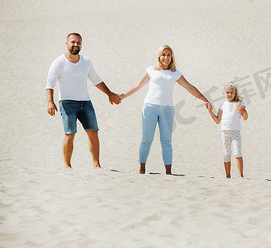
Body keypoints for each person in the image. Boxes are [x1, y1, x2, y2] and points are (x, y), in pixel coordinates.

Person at [120, 45, 212, 175]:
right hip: (150, 107)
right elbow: (137, 85)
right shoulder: (151, 70)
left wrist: (205, 99)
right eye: (164, 54)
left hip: (167, 109)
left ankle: (168, 172)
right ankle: (142, 170)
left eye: (169, 55)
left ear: (172, 57)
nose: (166, 57)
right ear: (159, 56)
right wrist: (122, 96)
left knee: (167, 141)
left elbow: (190, 87)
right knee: (146, 140)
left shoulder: (175, 73)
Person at [46, 33, 121, 169]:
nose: (76, 45)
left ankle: (96, 165)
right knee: (70, 133)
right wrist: (50, 102)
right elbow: (49, 84)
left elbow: (96, 80)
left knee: (93, 131)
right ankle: (67, 166)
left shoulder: (86, 61)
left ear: (81, 44)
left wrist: (109, 94)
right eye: (73, 42)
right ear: (67, 43)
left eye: (78, 42)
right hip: (67, 103)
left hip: (85, 102)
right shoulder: (59, 62)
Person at [207, 83, 248, 178]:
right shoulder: (222, 105)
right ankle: (228, 175)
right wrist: (210, 111)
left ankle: (241, 175)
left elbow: (245, 118)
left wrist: (243, 111)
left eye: (231, 92)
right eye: (227, 92)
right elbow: (217, 120)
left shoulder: (240, 104)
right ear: (223, 93)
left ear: (235, 93)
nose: (229, 94)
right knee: (226, 154)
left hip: (235, 132)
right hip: (225, 132)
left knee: (237, 153)